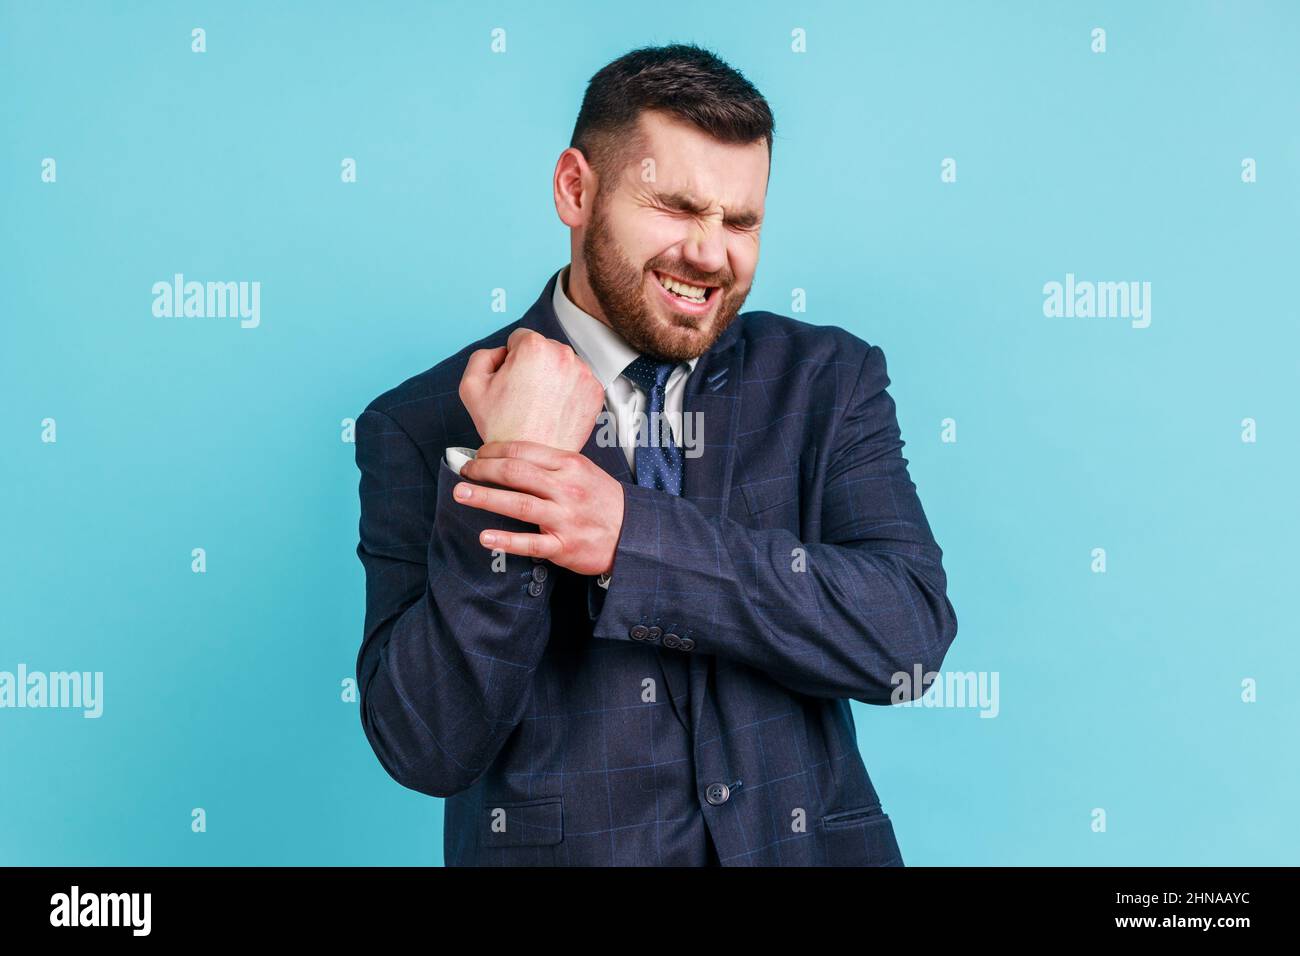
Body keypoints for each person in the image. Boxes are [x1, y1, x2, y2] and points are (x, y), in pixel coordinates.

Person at [353, 43, 958, 866]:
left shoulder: (828, 380)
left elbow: (909, 640)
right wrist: (512, 462)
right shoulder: (418, 421)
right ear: (576, 189)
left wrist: (629, 537)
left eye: (740, 222)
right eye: (675, 207)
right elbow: (426, 746)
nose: (710, 254)